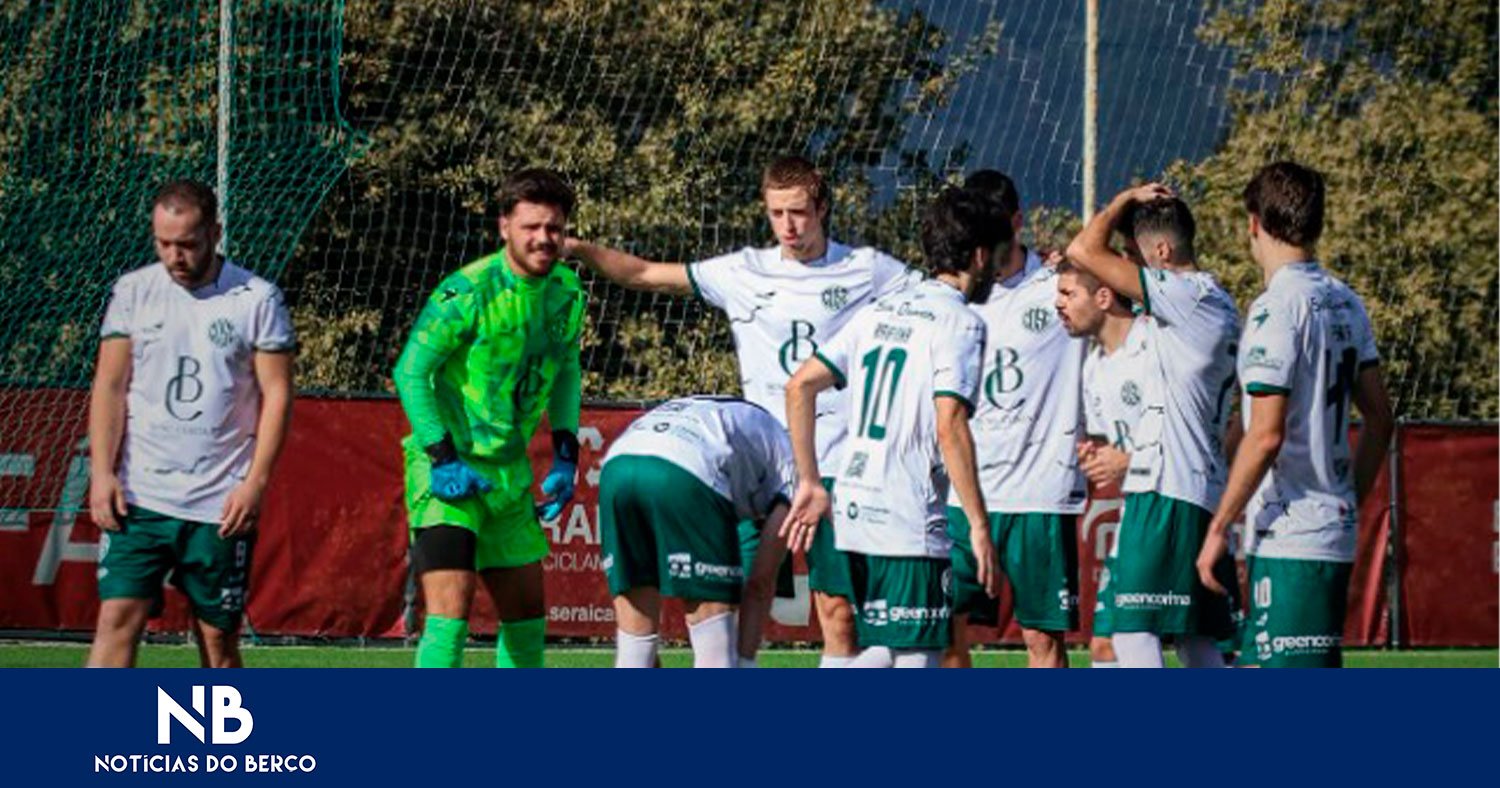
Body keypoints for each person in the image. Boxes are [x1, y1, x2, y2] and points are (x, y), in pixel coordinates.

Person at [566, 156, 913, 666]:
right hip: (762, 467)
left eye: (798, 212)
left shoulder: (868, 269)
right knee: (740, 591)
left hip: (836, 465)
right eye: (776, 213)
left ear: (822, 208)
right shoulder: (743, 270)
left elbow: (935, 301)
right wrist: (578, 250)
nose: (788, 226)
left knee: (836, 611)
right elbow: (642, 273)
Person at [780, 187, 1003, 668]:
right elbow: (950, 425)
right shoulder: (960, 322)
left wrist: (811, 481)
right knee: (917, 656)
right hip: (907, 516)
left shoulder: (878, 311)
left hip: (855, 509)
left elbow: (799, 386)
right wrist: (979, 524)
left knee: (887, 648)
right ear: (980, 255)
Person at [86, 179, 295, 667]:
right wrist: (101, 473)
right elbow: (110, 385)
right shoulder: (133, 291)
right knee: (116, 619)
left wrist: (255, 483)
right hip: (139, 497)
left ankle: (218, 722)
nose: (174, 256)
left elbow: (278, 393)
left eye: (187, 244)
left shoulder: (257, 299)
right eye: (163, 243)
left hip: (218, 505)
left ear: (215, 233)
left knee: (217, 641)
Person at [1197, 161, 1393, 667]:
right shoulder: (1345, 300)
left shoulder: (1276, 309)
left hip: (1292, 536)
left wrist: (1219, 527)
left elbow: (1266, 435)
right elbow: (1380, 418)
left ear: (1254, 223)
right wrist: (1347, 497)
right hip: (1324, 529)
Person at [394, 168, 585, 668]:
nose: (543, 238)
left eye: (554, 227)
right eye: (531, 227)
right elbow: (410, 372)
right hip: (446, 471)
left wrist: (566, 454)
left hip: (509, 477)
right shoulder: (468, 291)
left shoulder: (568, 291)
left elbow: (566, 371)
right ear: (504, 227)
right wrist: (442, 458)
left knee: (527, 626)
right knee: (449, 618)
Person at [1066, 185, 1240, 668]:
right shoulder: (1218, 301)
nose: (1128, 269)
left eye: (1135, 257)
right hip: (1198, 487)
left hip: (1167, 489)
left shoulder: (1184, 294)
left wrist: (1124, 199)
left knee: (1130, 633)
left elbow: (1084, 251)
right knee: (1196, 642)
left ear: (1162, 252)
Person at [944, 171, 1087, 669]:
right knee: (944, 627)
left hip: (1038, 493)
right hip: (964, 494)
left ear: (1017, 222)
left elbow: (1118, 301)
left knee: (1041, 640)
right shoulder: (953, 294)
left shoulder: (1059, 285)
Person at [601, 396, 795, 668]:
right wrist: (744, 662)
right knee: (714, 642)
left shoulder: (758, 430)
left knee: (635, 643)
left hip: (618, 462)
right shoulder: (797, 470)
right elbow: (761, 583)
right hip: (689, 463)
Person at [1056, 260, 1148, 668]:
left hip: (1177, 509)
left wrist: (1129, 461)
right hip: (1137, 513)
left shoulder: (1154, 346)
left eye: (1068, 294)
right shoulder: (1094, 364)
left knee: (1196, 642)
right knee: (1106, 644)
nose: (1059, 304)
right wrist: (1094, 455)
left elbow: (1191, 440)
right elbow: (1111, 444)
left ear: (1104, 297)